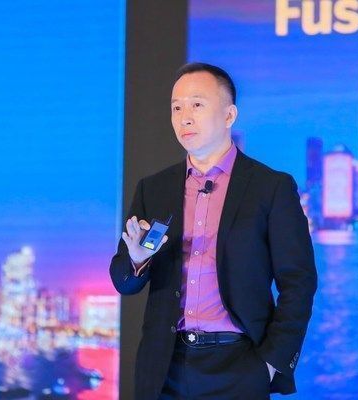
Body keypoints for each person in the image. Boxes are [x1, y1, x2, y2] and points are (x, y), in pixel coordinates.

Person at [110, 62, 317, 400]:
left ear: (229, 115)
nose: (184, 117)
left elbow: (299, 282)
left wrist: (270, 364)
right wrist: (136, 259)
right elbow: (124, 282)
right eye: (176, 108)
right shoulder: (153, 189)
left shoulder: (271, 187)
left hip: (238, 366)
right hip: (164, 369)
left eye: (197, 104)